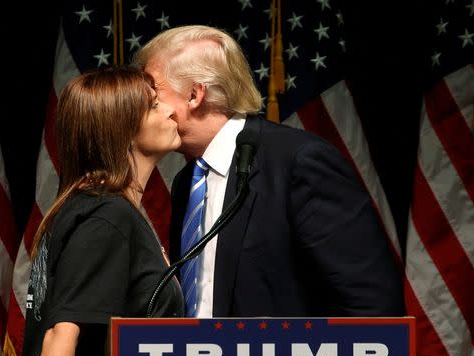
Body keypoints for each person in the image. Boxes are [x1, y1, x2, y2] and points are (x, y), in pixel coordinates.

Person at [14, 66, 185, 356]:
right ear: (122, 127)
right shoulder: (106, 214)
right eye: (154, 106)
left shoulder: (94, 206)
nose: (172, 110)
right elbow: (62, 329)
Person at [135, 25, 403, 318]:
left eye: (152, 91)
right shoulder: (187, 182)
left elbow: (372, 305)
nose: (142, 104)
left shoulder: (299, 163)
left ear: (194, 95)